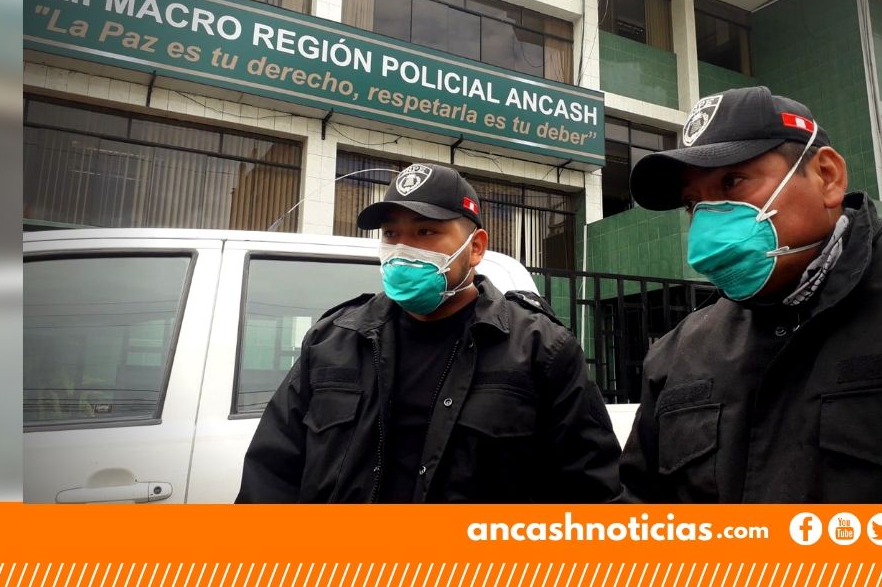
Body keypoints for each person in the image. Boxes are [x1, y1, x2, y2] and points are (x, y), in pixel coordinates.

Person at [620, 86, 882, 503]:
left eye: (733, 181)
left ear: (827, 176)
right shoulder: (677, 354)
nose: (707, 222)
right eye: (692, 203)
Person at [236, 162, 621, 503]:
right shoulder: (331, 341)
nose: (403, 250)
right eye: (391, 234)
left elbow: (592, 494)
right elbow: (271, 478)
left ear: (475, 248)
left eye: (425, 231)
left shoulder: (541, 350)